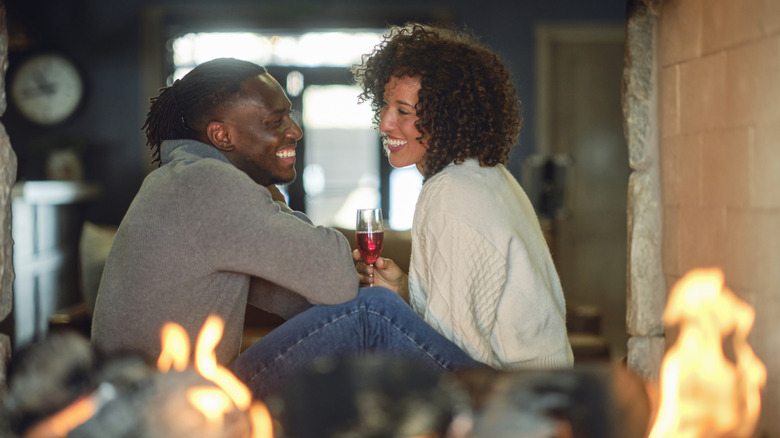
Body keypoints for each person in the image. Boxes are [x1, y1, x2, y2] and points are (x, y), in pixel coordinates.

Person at [91, 58, 484, 400]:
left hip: (152, 398)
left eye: (289, 115)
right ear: (221, 135)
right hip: (169, 409)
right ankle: (499, 398)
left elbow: (305, 298)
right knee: (372, 311)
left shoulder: (180, 182)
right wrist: (273, 204)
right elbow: (336, 281)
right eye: (275, 121)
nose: (295, 130)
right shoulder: (207, 183)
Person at [351, 24, 574, 370]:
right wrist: (406, 293)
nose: (385, 123)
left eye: (404, 112)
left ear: (446, 117)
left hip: (516, 402)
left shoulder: (450, 193)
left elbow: (455, 360)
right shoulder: (487, 174)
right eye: (385, 105)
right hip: (540, 389)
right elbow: (466, 321)